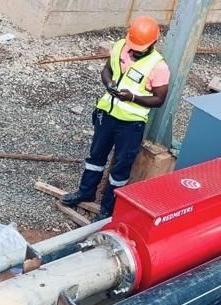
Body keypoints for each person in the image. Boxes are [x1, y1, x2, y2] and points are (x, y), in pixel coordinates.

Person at [61, 16, 170, 219]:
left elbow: (159, 99)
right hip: (106, 115)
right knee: (95, 157)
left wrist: (133, 98)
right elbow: (107, 70)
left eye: (141, 48)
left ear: (154, 42)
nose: (136, 50)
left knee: (121, 166)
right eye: (134, 46)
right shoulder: (120, 46)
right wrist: (108, 83)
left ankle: (108, 208)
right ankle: (86, 192)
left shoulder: (158, 66)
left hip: (131, 124)